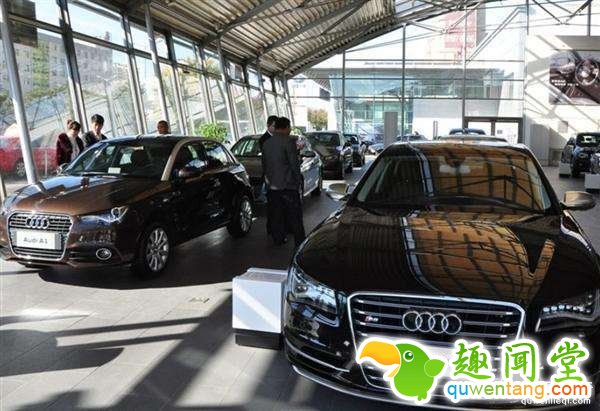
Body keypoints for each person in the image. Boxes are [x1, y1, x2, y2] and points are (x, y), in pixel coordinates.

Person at [261, 117, 305, 247]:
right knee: (295, 216)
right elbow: (294, 164)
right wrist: (298, 181)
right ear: (285, 127)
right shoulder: (288, 142)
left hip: (273, 187)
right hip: (288, 186)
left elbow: (264, 165)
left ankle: (278, 239)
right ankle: (300, 242)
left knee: (277, 215)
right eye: (289, 127)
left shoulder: (266, 143)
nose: (290, 129)